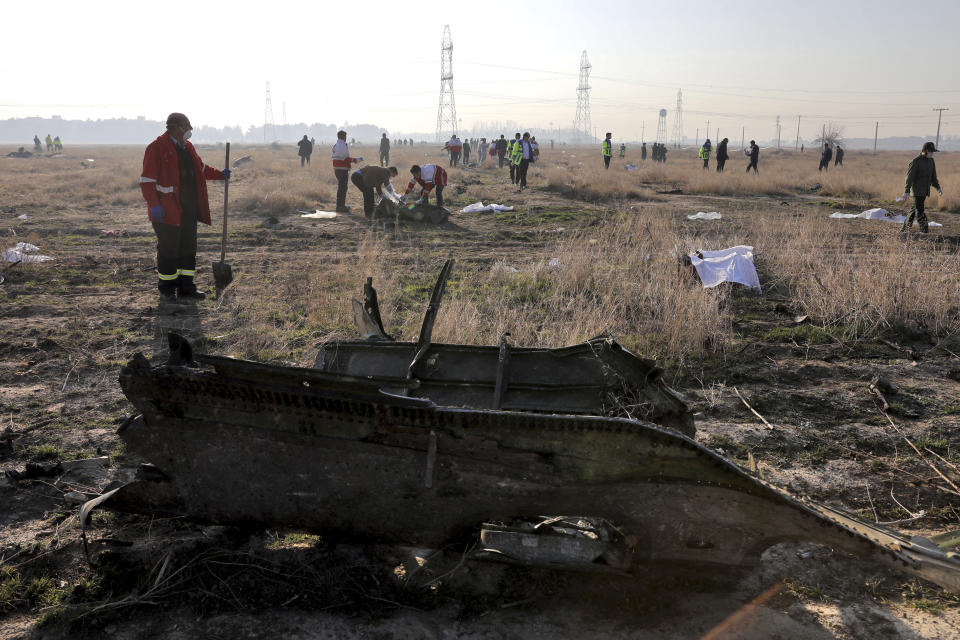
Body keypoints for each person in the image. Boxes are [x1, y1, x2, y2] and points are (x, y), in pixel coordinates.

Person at [139, 112, 230, 301]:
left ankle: (186, 288)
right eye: (186, 127)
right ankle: (167, 290)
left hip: (189, 211)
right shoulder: (156, 148)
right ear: (175, 127)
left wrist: (221, 174)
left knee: (188, 250)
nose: (189, 131)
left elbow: (201, 169)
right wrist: (154, 205)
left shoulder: (188, 147)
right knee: (169, 251)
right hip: (166, 212)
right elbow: (147, 181)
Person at [901, 142, 942, 234]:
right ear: (924, 151)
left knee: (913, 210)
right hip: (917, 191)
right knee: (920, 210)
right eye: (930, 152)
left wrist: (938, 187)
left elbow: (933, 176)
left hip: (925, 191)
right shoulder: (916, 161)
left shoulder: (931, 161)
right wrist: (906, 190)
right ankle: (924, 230)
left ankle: (905, 229)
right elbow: (909, 177)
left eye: (933, 152)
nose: (932, 154)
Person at [332, 130, 361, 213]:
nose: (346, 138)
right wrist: (355, 160)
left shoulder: (336, 145)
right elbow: (345, 158)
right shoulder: (342, 145)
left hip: (337, 168)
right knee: (342, 188)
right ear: (344, 136)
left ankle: (340, 205)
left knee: (341, 187)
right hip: (342, 169)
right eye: (345, 136)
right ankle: (340, 207)